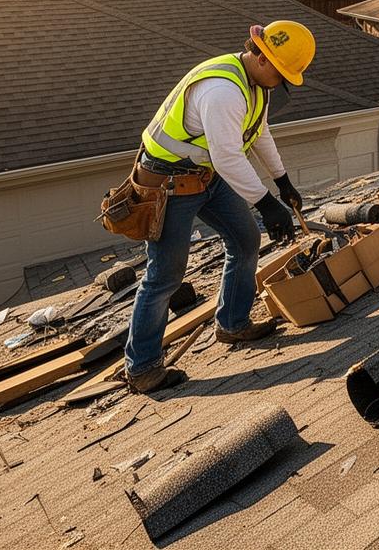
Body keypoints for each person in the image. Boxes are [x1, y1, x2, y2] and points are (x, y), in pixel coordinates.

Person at [121, 20, 315, 393]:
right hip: (169, 182)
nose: (284, 82)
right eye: (282, 73)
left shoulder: (256, 85)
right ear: (261, 57)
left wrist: (282, 181)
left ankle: (233, 324)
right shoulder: (223, 91)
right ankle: (143, 368)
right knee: (164, 276)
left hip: (204, 174)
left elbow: (258, 131)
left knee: (244, 241)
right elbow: (227, 156)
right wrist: (266, 204)